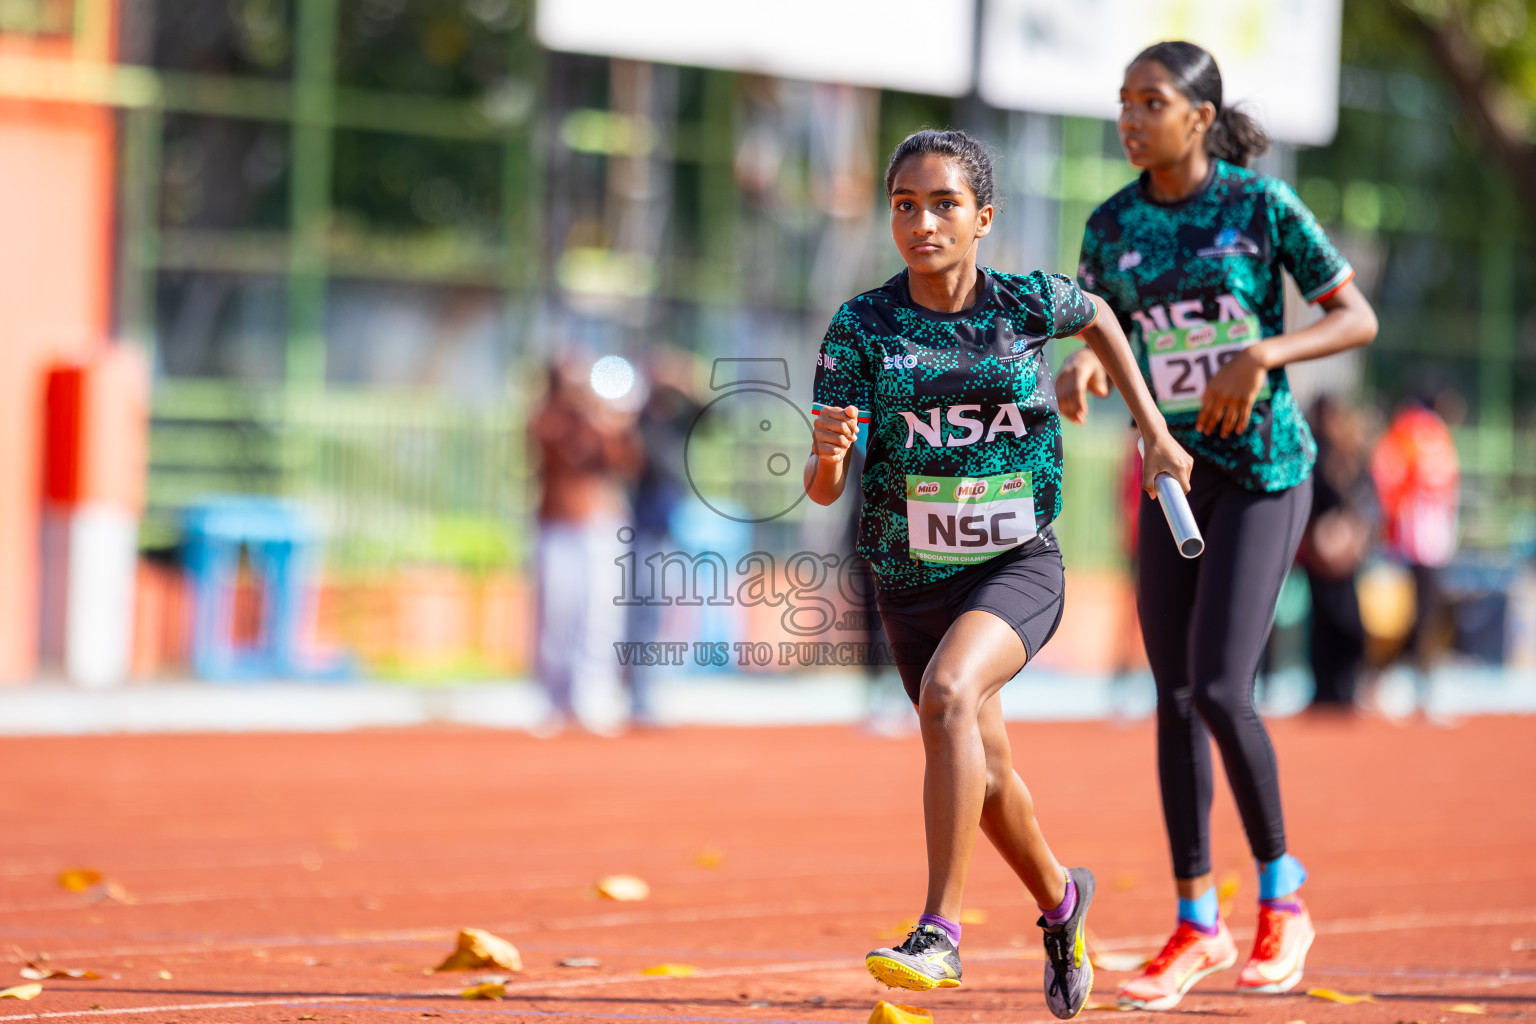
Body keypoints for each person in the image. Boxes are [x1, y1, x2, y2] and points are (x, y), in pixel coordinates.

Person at [807, 128, 1193, 1020]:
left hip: (1018, 561)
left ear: (984, 217)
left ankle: (939, 934)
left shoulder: (1025, 303)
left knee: (948, 697)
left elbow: (1099, 314)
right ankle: (1063, 903)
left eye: (945, 204)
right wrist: (828, 456)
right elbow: (826, 482)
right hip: (911, 578)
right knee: (983, 779)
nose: (923, 222)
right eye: (906, 204)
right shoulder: (862, 324)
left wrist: (1153, 430)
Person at [1056, 41, 1378, 1010]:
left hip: (1266, 473)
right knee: (1173, 693)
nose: (1130, 118)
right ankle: (1198, 920)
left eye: (1150, 102)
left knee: (1223, 685)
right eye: (1123, 101)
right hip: (1174, 474)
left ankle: (1285, 898)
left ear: (1199, 117)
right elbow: (1106, 334)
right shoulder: (1110, 224)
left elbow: (1354, 316)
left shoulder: (1258, 205)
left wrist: (1263, 352)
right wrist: (1086, 369)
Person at [531, 357, 641, 735]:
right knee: (557, 616)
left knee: (601, 615)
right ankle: (554, 700)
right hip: (558, 525)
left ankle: (596, 696)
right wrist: (585, 415)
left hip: (602, 525)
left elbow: (624, 462)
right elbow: (556, 449)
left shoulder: (602, 422)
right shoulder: (548, 418)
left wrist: (610, 420)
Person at [1300, 395, 1374, 709]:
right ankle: (1324, 691)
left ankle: (1348, 687)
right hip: (1318, 556)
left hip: (1348, 556)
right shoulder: (1309, 455)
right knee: (1321, 624)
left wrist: (1355, 539)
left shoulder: (1351, 456)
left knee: (1350, 623)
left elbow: (1366, 501)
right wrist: (1315, 546)